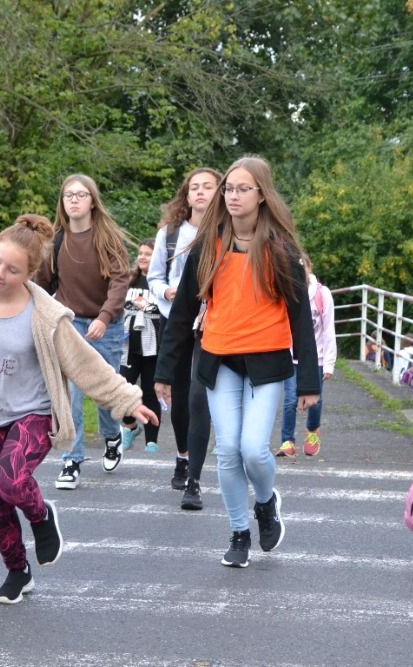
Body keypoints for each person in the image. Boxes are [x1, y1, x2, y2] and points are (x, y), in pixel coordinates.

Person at [0, 215, 157, 604]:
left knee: (11, 482)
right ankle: (17, 571)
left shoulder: (45, 315)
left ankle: (42, 517)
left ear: (29, 275)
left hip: (34, 414)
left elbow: (85, 363)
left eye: (12, 269)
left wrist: (127, 400)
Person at [155, 156, 320, 568]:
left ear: (262, 195)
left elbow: (301, 318)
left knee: (253, 451)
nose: (233, 195)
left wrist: (309, 382)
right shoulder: (207, 247)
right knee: (227, 451)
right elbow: (181, 314)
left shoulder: (281, 250)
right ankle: (239, 532)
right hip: (220, 359)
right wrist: (164, 372)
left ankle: (265, 503)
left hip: (268, 363)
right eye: (229, 188)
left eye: (243, 189)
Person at [35, 174, 133, 490]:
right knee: (71, 396)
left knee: (105, 394)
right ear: (62, 202)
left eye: (81, 194)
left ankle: (112, 435)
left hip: (107, 326)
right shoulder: (55, 242)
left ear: (92, 201)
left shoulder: (107, 239)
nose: (74, 200)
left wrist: (104, 317)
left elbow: (120, 281)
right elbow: (42, 285)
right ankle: (71, 461)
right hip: (69, 324)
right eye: (68, 195)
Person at [147, 167, 221, 508]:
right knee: (177, 396)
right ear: (186, 195)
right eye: (195, 187)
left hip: (212, 322)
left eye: (208, 187)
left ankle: (195, 474)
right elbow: (154, 277)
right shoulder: (170, 233)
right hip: (174, 319)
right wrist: (167, 293)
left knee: (198, 396)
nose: (201, 192)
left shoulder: (226, 231)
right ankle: (182, 454)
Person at [277, 252, 336, 458]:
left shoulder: (322, 294)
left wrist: (329, 363)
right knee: (290, 400)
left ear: (309, 268)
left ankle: (312, 430)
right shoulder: (287, 292)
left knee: (315, 400)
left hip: (315, 357)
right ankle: (287, 441)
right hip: (291, 355)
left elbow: (328, 330)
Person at [119, 240, 162, 452]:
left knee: (150, 392)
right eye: (140, 253)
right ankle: (130, 426)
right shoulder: (130, 279)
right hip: (129, 345)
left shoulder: (160, 282)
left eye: (147, 254)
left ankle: (151, 441)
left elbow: (162, 310)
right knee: (123, 388)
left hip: (153, 347)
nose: (142, 257)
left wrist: (140, 304)